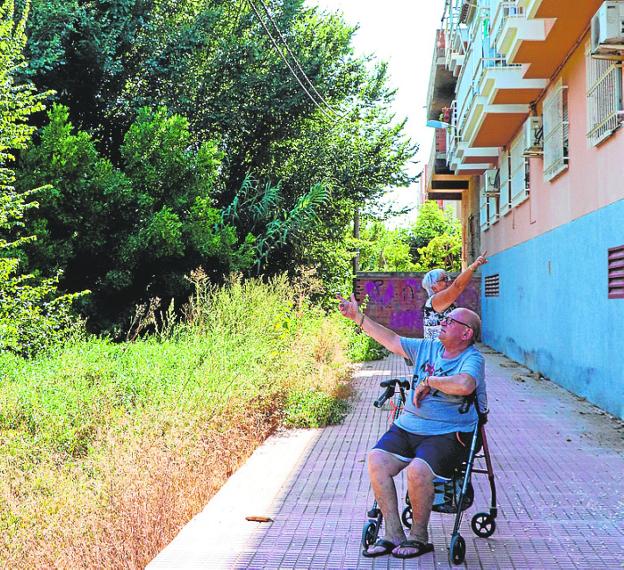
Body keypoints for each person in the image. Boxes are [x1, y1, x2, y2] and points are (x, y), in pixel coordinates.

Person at [336, 294, 486, 559]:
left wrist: (430, 381)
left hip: (448, 433)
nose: (442, 321)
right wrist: (357, 317)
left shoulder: (472, 358)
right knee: (376, 459)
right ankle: (393, 533)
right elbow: (392, 340)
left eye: (450, 321)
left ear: (466, 333)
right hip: (409, 426)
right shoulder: (427, 347)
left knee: (417, 470)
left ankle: (419, 536)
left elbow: (465, 385)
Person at [422, 253, 488, 340]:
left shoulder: (442, 302)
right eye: (444, 279)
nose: (448, 282)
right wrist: (473, 266)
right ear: (434, 287)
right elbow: (457, 286)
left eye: (447, 278)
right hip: (437, 350)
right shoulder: (435, 300)